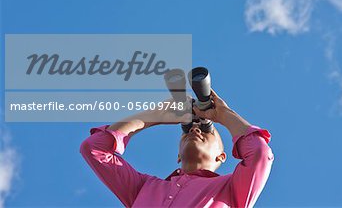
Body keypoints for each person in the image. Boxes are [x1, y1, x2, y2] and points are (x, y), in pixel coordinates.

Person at [80, 89, 274, 207]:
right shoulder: (143, 188)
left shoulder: (232, 189)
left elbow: (259, 154)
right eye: (187, 129)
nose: (195, 130)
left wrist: (223, 114)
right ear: (178, 156)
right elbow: (94, 149)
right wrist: (156, 115)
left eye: (207, 130)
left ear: (221, 157)